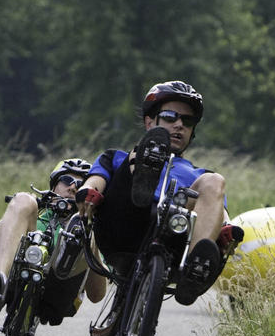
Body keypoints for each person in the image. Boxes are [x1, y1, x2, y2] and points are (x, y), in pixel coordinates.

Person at [76, 80, 233, 306]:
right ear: (150, 121)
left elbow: (220, 215)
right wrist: (87, 193)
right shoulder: (116, 158)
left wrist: (228, 230)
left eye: (187, 121)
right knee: (135, 157)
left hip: (174, 238)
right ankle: (147, 165)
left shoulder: (201, 176)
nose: (179, 124)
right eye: (170, 117)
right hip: (123, 228)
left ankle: (195, 267)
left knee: (215, 181)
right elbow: (93, 183)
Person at [0, 158, 107, 317]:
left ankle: (73, 243)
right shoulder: (37, 213)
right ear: (54, 186)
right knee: (23, 199)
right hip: (19, 278)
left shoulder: (92, 228)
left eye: (80, 184)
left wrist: (90, 238)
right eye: (66, 180)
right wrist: (17, 212)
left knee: (79, 227)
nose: (72, 187)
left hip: (62, 293)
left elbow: (97, 295)